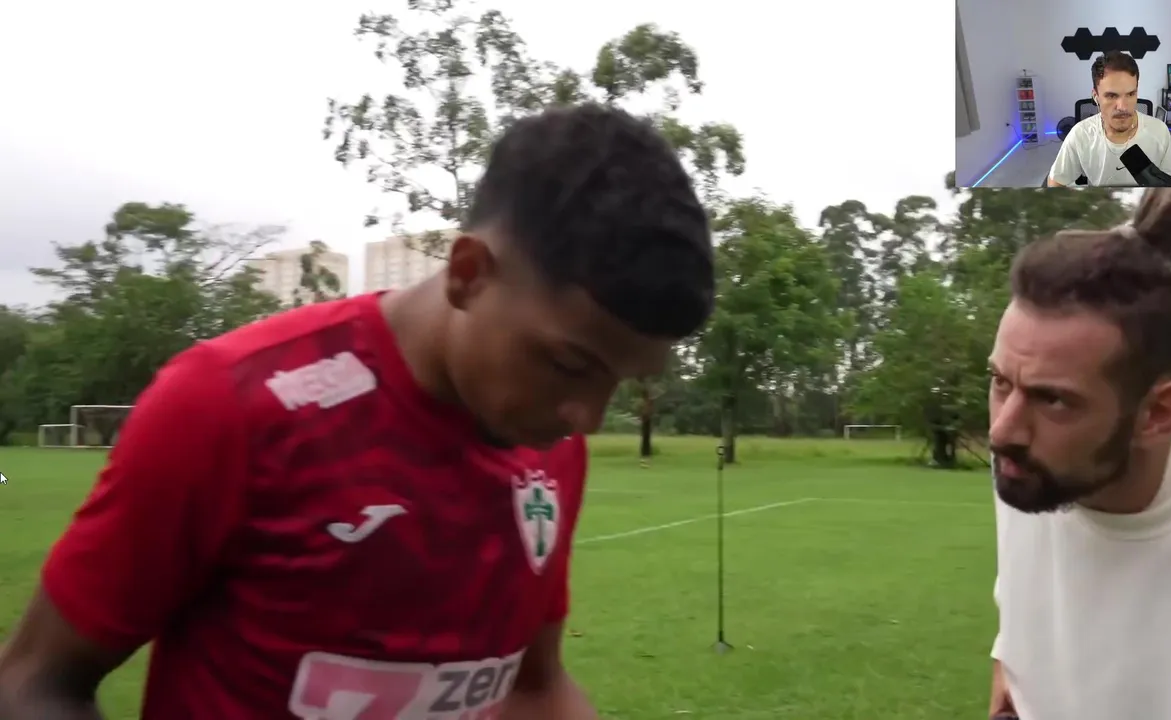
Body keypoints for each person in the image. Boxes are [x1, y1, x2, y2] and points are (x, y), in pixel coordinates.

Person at [0, 103, 715, 719]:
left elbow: (532, 685)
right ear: (469, 273)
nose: (587, 417)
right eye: (569, 365)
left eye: (624, 381)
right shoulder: (230, 404)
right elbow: (34, 682)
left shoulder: (551, 444)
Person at [985, 188, 1171, 720]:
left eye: (1053, 399)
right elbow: (1021, 591)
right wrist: (1008, 667)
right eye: (1000, 381)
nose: (1002, 430)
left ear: (1157, 414)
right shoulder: (1029, 462)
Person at [1047, 51, 1171, 187]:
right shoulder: (1080, 135)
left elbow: (1170, 185)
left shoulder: (1159, 131)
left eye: (1130, 94)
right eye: (1111, 96)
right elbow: (1055, 182)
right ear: (1096, 96)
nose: (1122, 107)